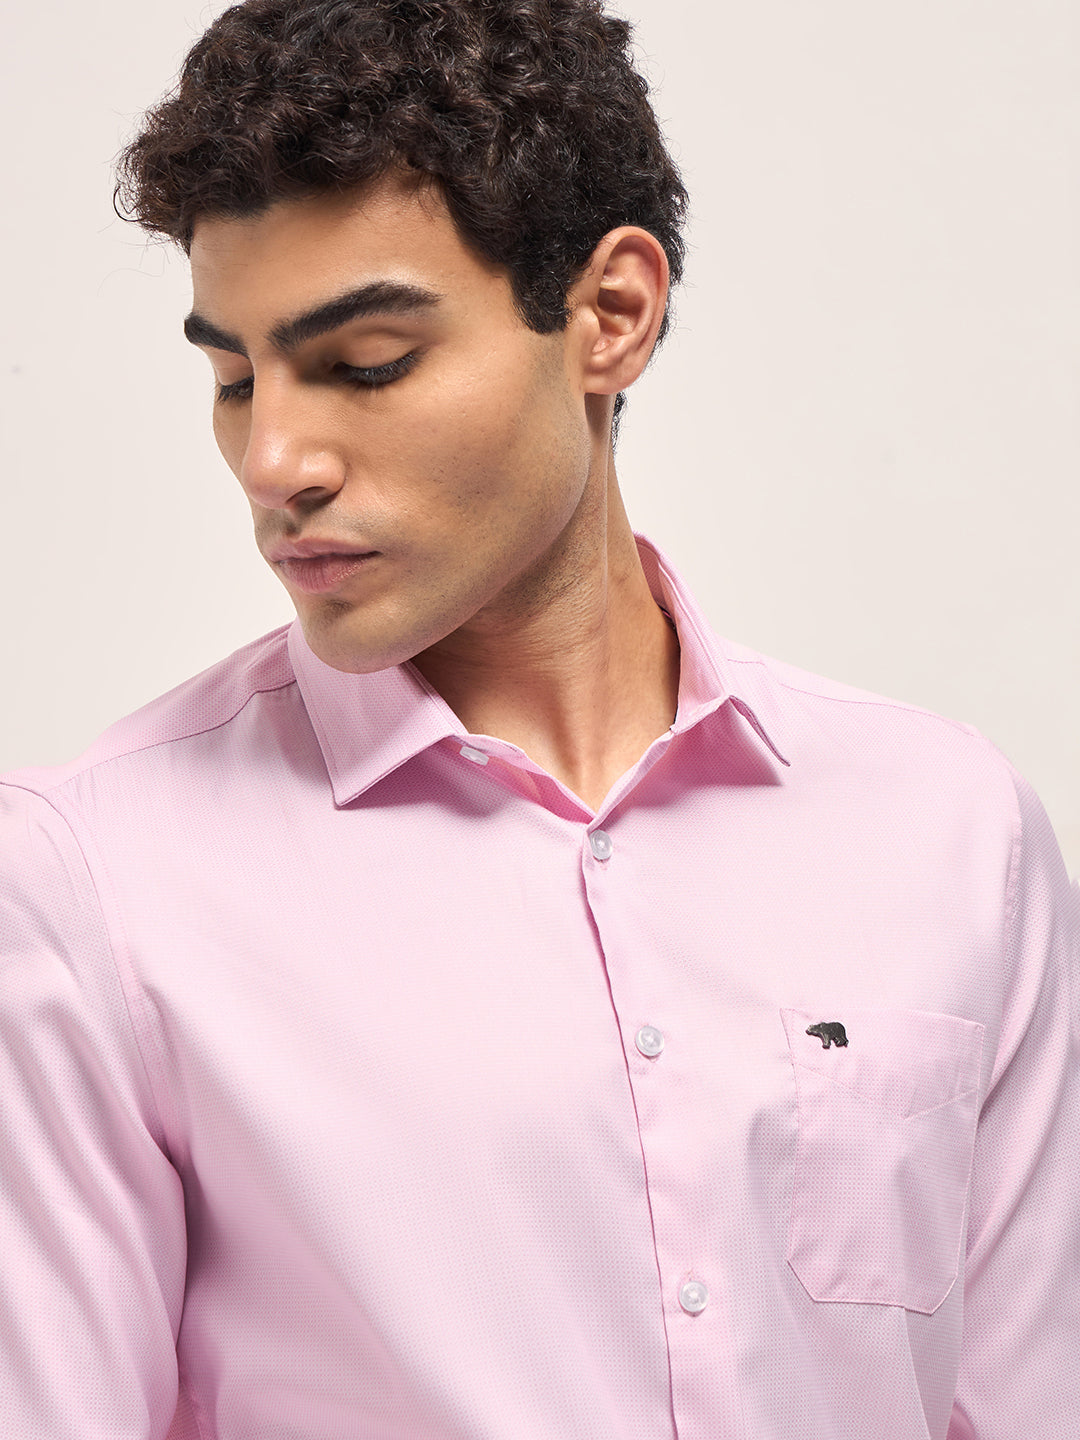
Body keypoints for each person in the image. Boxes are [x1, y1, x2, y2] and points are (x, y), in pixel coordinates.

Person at [1, 1, 1076, 1436]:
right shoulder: (93, 881)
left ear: (609, 317)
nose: (274, 461)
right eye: (234, 378)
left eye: (366, 364)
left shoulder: (950, 830)